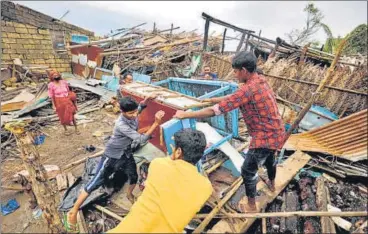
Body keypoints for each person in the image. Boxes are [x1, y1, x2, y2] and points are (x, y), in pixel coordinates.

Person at [174, 51, 285, 212]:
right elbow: (237, 96)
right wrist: (212, 99)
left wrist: (186, 114)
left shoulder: (247, 90)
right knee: (269, 160)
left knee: (248, 170)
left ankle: (252, 206)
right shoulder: (260, 81)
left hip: (264, 137)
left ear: (244, 71)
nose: (234, 74)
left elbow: (215, 111)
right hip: (276, 132)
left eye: (235, 70)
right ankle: (272, 184)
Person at [65, 95, 165, 232]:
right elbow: (141, 140)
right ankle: (73, 210)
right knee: (94, 183)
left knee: (133, 176)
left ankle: (129, 194)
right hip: (112, 156)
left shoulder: (134, 112)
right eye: (131, 113)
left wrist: (146, 100)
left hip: (126, 152)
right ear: (122, 112)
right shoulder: (121, 124)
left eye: (136, 111)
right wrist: (156, 123)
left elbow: (140, 107)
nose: (135, 115)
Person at [107, 129, 213, 233]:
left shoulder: (158, 165)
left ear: (178, 151)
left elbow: (167, 162)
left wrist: (170, 151)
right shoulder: (206, 187)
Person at [47, 69, 79, 135]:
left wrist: (73, 99)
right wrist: (53, 105)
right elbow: (52, 96)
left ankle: (76, 128)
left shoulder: (64, 82)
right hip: (58, 101)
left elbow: (68, 91)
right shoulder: (51, 85)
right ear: (51, 77)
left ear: (59, 75)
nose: (55, 75)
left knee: (72, 114)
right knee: (62, 116)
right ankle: (66, 130)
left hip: (67, 100)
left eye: (56, 74)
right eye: (53, 75)